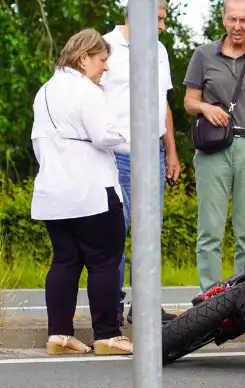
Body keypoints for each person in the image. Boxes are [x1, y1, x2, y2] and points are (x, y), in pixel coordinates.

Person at [30, 29, 134, 356]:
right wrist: (131, 138)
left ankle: (59, 335)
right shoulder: (86, 91)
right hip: (91, 191)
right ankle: (107, 335)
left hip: (52, 193)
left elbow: (39, 145)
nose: (105, 67)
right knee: (105, 261)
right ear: (83, 57)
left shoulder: (44, 91)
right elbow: (103, 136)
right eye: (102, 60)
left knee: (65, 262)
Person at [182, 0, 245, 291]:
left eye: (244, 20)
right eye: (232, 19)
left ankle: (244, 294)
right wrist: (204, 108)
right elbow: (189, 102)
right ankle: (210, 296)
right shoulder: (203, 55)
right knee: (210, 230)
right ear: (223, 19)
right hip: (213, 149)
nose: (237, 26)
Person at [102, 0, 181, 325]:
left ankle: (144, 304)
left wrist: (172, 151)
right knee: (116, 232)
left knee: (150, 231)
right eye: (159, 19)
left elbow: (162, 103)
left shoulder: (159, 51)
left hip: (153, 155)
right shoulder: (106, 46)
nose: (162, 26)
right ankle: (112, 306)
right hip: (116, 155)